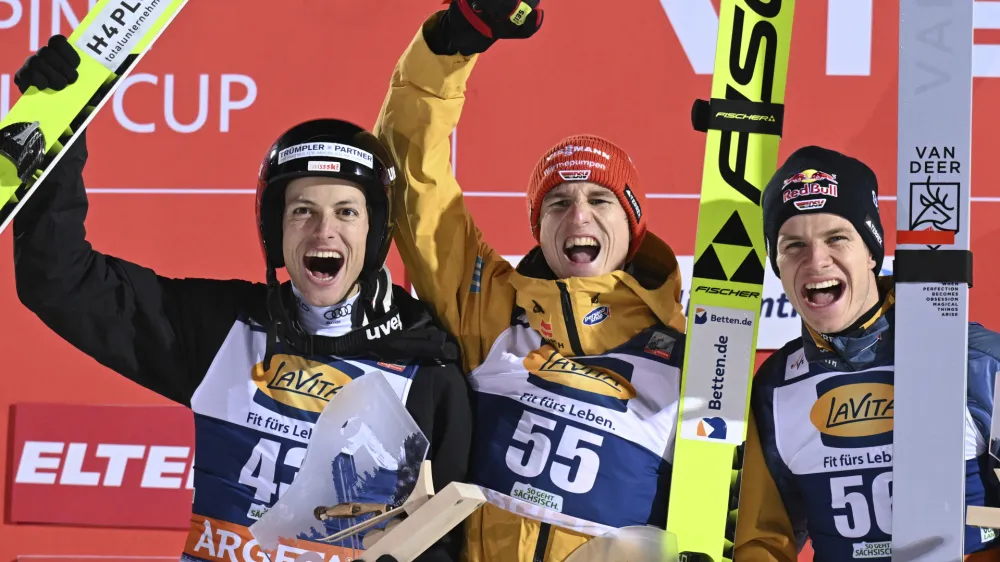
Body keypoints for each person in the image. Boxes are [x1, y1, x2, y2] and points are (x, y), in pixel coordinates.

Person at [11, 35, 472, 562]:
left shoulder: (425, 365)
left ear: (375, 232)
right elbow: (60, 279)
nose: (324, 231)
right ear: (276, 229)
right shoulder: (222, 328)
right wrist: (58, 131)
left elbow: (445, 543)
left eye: (347, 212)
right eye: (302, 210)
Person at [372, 2, 689, 560]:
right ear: (539, 230)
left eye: (600, 200)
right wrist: (453, 40)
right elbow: (412, 180)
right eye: (558, 204)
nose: (579, 217)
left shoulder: (691, 351)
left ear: (633, 226)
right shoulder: (488, 307)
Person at [732, 145, 1000, 561]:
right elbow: (764, 540)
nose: (816, 260)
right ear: (778, 266)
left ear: (872, 252)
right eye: (793, 246)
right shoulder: (776, 386)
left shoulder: (975, 360)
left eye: (837, 238)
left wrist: (975, 524)